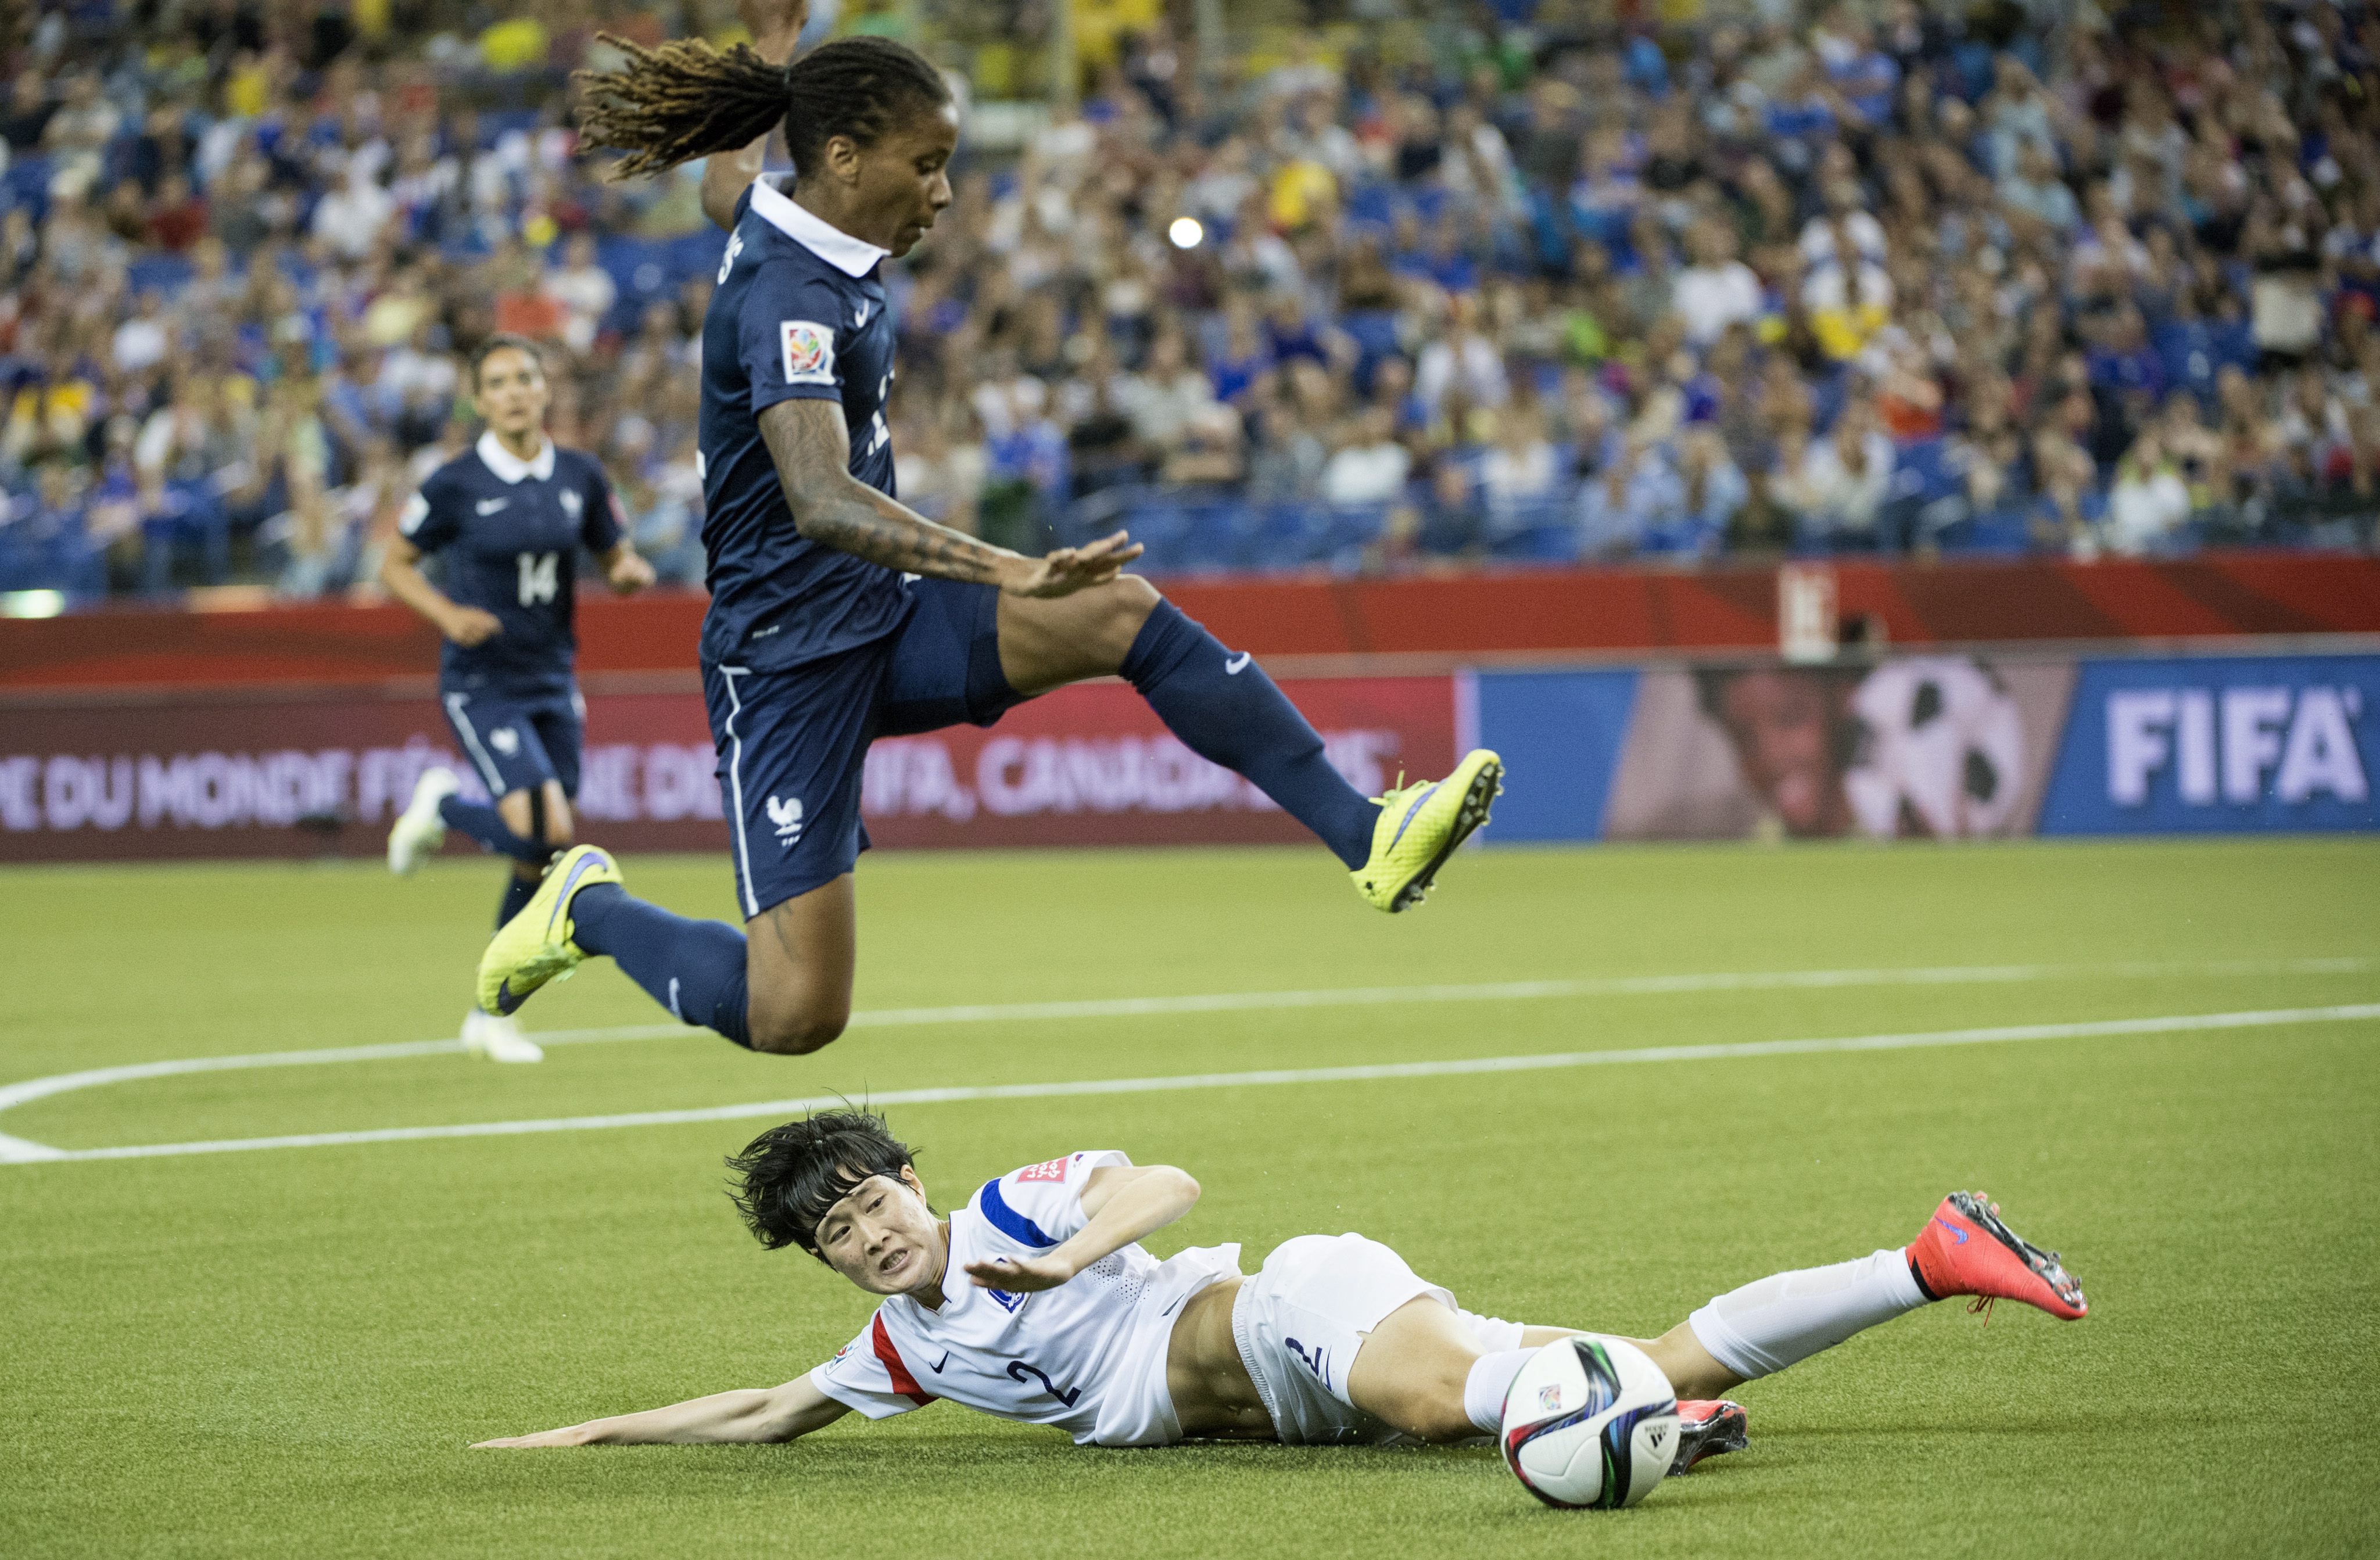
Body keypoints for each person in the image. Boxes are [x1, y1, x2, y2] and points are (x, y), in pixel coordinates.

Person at [475, 2, 1503, 1057]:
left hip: (883, 613)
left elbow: (720, 181)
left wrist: (770, 61)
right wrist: (1012, 569)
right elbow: (821, 500)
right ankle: (586, 909)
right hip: (785, 664)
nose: (945, 191)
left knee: (1117, 611)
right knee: (796, 1016)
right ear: (842, 157)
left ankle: (1364, 833)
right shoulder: (789, 292)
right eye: (925, 164)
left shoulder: (781, 213)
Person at [473, 1109, 2084, 1471]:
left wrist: (1071, 1249)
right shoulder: (904, 1342)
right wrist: (575, 1442)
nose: (874, 1229)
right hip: (1301, 1402)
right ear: (825, 1257)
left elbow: (1168, 1187)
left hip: (1288, 1308)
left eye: (874, 1193)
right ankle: (1926, 1256)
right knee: (1638, 1352)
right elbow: (764, 1412)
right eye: (839, 1227)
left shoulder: (1010, 1206)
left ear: (910, 1179)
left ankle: (1624, 1428)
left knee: (1462, 1405)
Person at [378, 335, 657, 1062]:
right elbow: (396, 564)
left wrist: (627, 569)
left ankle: (487, 1012)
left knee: (542, 858)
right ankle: (442, 804)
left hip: (552, 677)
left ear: (544, 390)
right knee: (545, 829)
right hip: (483, 678)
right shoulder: (455, 482)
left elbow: (611, 550)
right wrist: (447, 617)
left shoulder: (580, 474)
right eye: (498, 382)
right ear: (479, 400)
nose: (514, 392)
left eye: (525, 378)